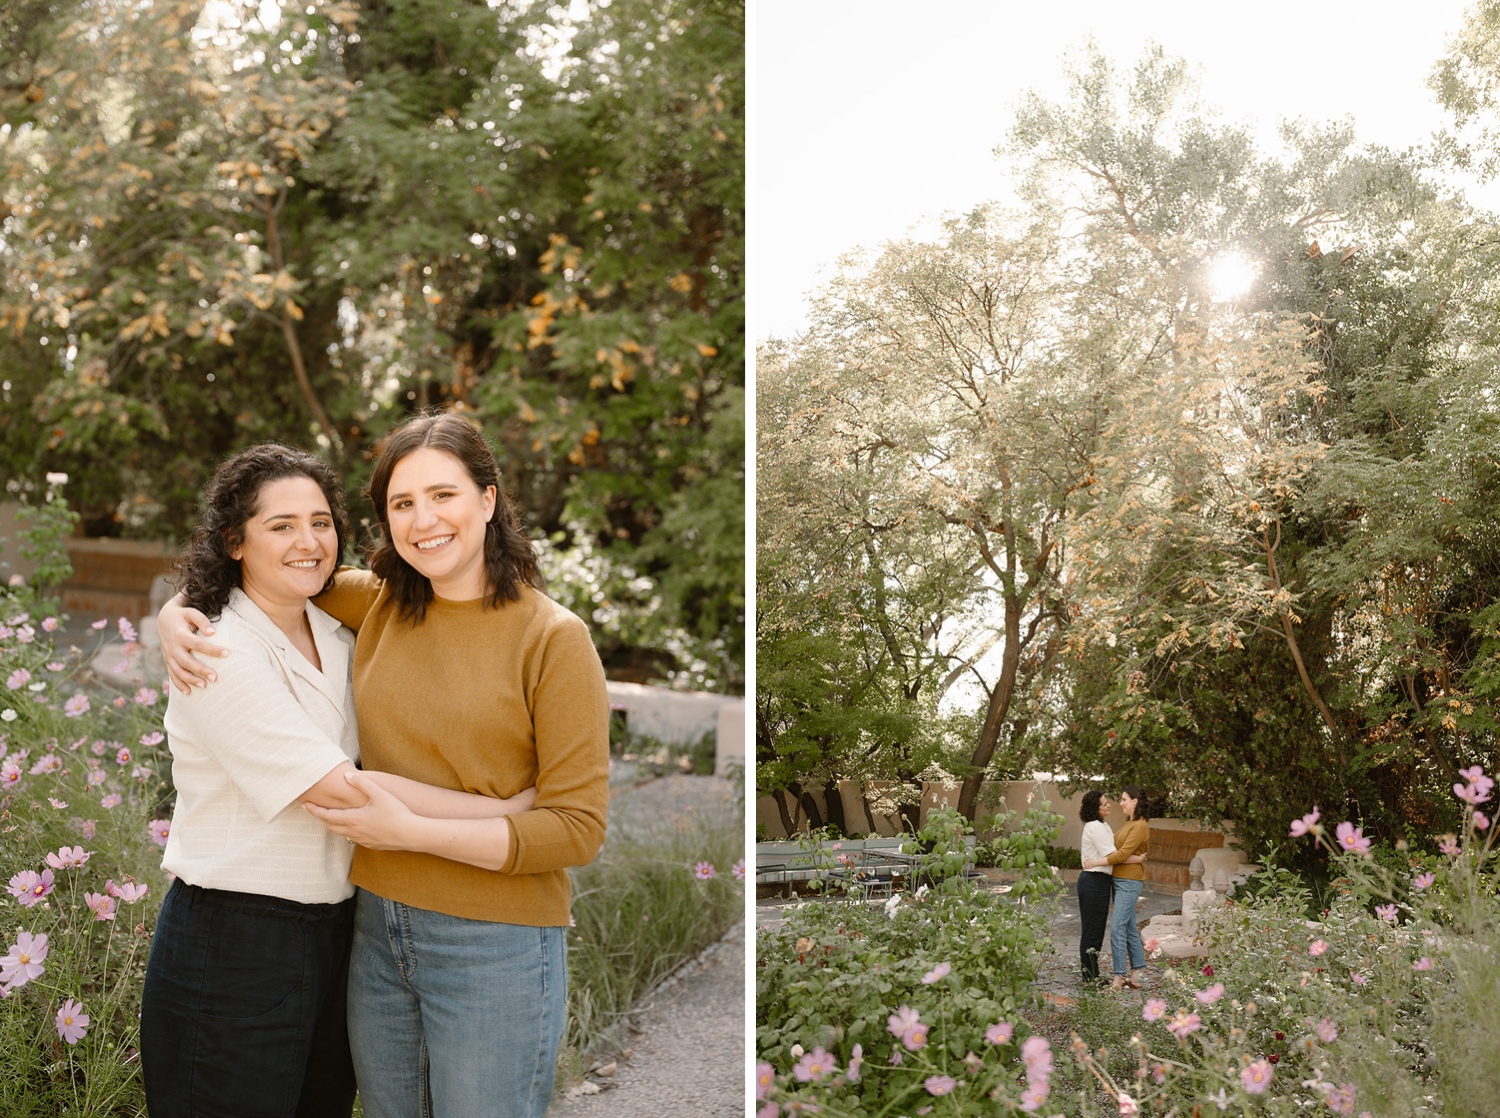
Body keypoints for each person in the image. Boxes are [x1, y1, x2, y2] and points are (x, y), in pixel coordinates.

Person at [159, 413, 610, 1118]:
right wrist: (175, 611)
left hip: (493, 942)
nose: (423, 520)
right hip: (373, 933)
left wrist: (415, 830)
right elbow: (257, 578)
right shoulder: (379, 605)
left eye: (444, 495)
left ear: (488, 500)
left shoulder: (552, 637)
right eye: (402, 504)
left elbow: (577, 829)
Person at [1092, 785, 1150, 990]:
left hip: (1129, 882)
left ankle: (1119, 977)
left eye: (1124, 799)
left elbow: (1121, 853)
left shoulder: (1140, 826)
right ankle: (1137, 972)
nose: (1121, 803)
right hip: (1118, 880)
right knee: (1129, 927)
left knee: (1117, 928)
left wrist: (1096, 861)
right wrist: (1132, 858)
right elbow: (1120, 852)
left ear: (1135, 801)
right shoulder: (1129, 823)